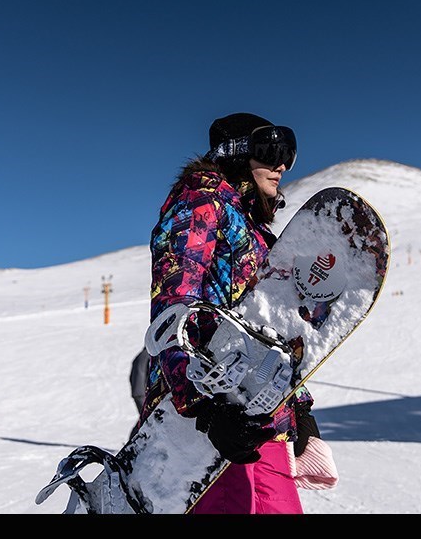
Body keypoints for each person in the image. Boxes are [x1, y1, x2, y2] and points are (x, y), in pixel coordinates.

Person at [140, 112, 323, 514]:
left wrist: (301, 410)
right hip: (205, 417)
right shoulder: (201, 200)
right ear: (238, 152)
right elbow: (173, 306)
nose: (282, 165)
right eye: (272, 149)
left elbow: (271, 324)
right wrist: (204, 409)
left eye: (289, 154)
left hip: (260, 415)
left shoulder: (256, 231)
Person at [128, 347, 150, 438]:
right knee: (147, 420)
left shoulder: (140, 356)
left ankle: (132, 442)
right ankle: (132, 443)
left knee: (145, 419)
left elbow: (131, 377)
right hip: (142, 394)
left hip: (138, 393)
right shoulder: (149, 355)